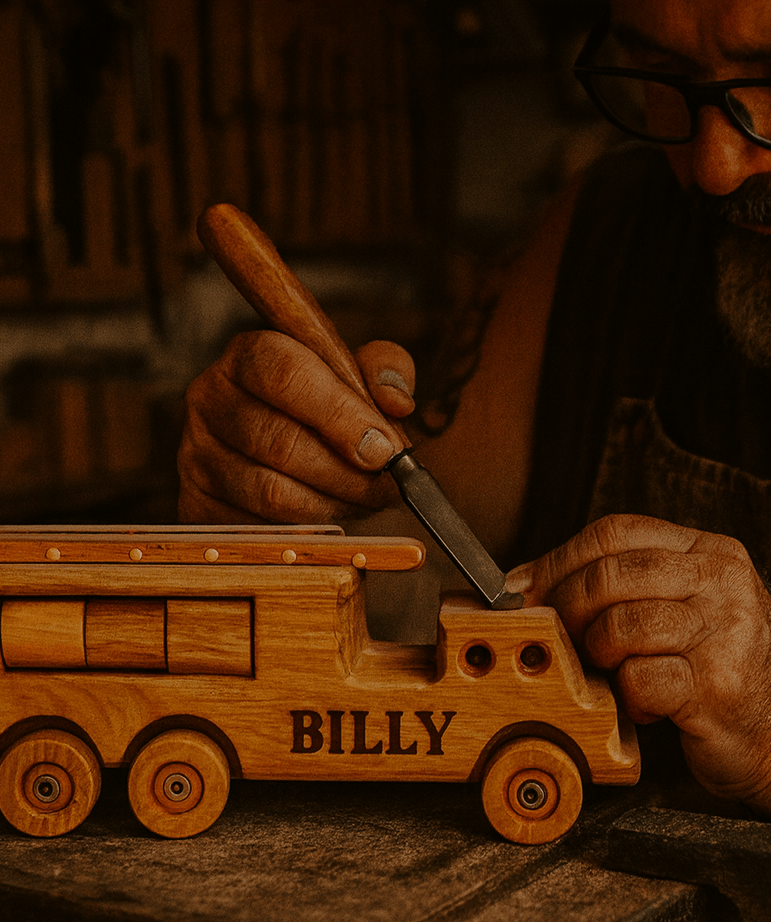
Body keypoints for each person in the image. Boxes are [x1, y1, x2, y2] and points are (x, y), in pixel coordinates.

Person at [177, 0, 771, 817]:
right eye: (666, 76)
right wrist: (285, 497)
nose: (716, 165)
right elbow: (410, 573)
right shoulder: (608, 230)